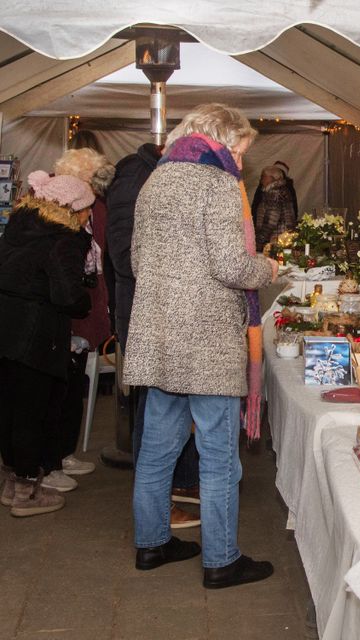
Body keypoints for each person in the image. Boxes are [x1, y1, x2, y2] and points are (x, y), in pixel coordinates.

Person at [124, 103, 279, 588]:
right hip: (207, 338)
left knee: (156, 451)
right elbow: (233, 265)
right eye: (239, 149)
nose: (239, 159)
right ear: (220, 138)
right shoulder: (215, 184)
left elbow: (134, 258)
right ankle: (221, 559)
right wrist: (269, 270)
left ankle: (151, 545)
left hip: (159, 334)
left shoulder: (158, 178)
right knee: (217, 456)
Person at [106, 141, 201, 528]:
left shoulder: (155, 174)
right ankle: (158, 509)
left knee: (171, 407)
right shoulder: (135, 176)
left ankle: (180, 481)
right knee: (154, 411)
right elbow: (124, 254)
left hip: (163, 310)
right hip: (147, 313)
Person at [0, 171, 94, 516]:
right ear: (73, 210)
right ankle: (26, 491)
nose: (88, 216)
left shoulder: (19, 226)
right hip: (37, 334)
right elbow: (66, 294)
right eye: (86, 209)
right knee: (34, 411)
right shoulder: (63, 239)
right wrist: (84, 298)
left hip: (7, 326)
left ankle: (12, 484)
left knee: (9, 408)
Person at [46, 148, 115, 489]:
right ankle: (48, 463)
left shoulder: (95, 208)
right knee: (55, 390)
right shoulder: (52, 207)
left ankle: (63, 454)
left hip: (84, 307)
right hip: (61, 312)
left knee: (74, 388)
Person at [253, 164, 297, 251]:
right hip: (284, 238)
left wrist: (259, 241)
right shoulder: (283, 190)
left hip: (274, 240)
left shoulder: (274, 193)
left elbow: (270, 222)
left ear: (272, 178)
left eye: (263, 177)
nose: (261, 180)